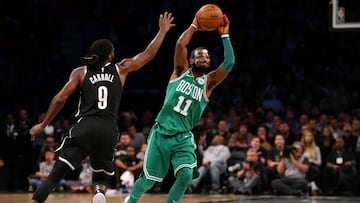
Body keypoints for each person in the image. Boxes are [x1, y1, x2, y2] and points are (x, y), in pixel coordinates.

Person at [29, 12, 175, 203]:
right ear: (110, 55)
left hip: (85, 126)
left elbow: (60, 98)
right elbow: (148, 55)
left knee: (57, 172)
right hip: (108, 129)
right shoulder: (121, 69)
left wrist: (43, 123)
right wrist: (162, 31)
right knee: (100, 174)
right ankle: (99, 193)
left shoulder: (81, 72)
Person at [125, 13, 234, 203]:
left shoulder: (208, 84)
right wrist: (194, 25)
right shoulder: (179, 72)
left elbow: (229, 63)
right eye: (199, 56)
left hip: (183, 136)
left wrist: (225, 35)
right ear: (191, 61)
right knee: (148, 181)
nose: (204, 58)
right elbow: (180, 45)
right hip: (161, 133)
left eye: (207, 57)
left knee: (185, 175)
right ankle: (131, 200)